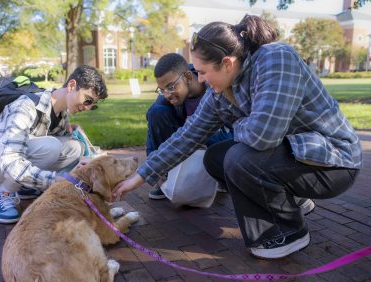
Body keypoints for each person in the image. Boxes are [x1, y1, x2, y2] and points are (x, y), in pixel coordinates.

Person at [113, 15, 362, 259]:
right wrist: (141, 176)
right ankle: (292, 199)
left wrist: (241, 124)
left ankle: (288, 230)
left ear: (227, 63)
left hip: (334, 161)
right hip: (294, 157)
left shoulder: (276, 59)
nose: (199, 79)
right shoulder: (219, 94)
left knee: (238, 157)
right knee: (215, 157)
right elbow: (186, 137)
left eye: (202, 72)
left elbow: (263, 136)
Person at [0, 65, 108, 224]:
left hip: (11, 160)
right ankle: (3, 195)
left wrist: (85, 154)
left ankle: (26, 186)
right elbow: (10, 161)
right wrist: (54, 180)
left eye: (93, 105)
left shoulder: (61, 113)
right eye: (88, 99)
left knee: (74, 147)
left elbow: (63, 146)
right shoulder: (24, 106)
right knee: (51, 146)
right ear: (71, 86)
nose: (88, 107)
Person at [146, 53, 233, 199]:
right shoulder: (168, 97)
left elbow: (235, 133)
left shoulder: (212, 84)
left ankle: (221, 176)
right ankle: (168, 178)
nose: (167, 94)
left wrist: (199, 129)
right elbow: (153, 126)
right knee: (156, 112)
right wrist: (155, 168)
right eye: (162, 89)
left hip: (217, 139)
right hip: (185, 139)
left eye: (171, 87)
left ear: (187, 77)